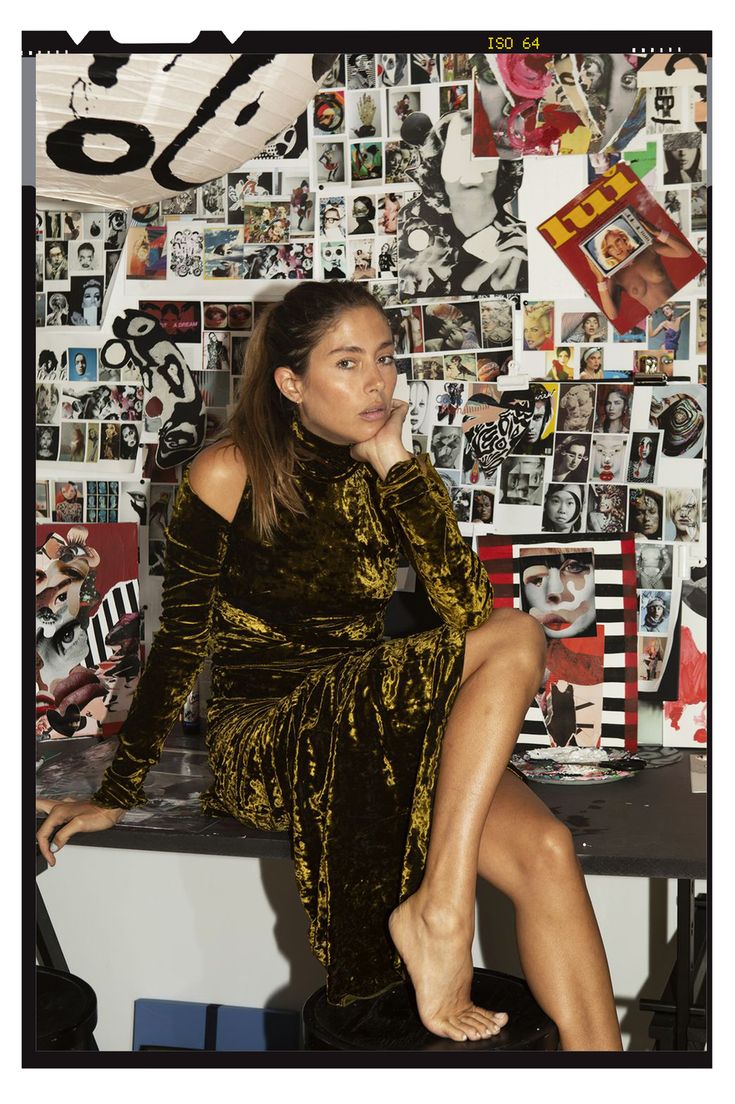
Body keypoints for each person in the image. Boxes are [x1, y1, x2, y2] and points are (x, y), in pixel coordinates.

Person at [37, 281, 622, 1051]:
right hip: (272, 737)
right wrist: (118, 792)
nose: (377, 380)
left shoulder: (389, 473)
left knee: (546, 850)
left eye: (383, 358)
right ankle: (443, 912)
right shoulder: (228, 470)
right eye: (347, 363)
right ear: (290, 382)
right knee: (517, 631)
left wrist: (397, 466)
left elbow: (462, 610)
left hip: (378, 720)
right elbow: (182, 641)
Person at [398, 110, 527, 298]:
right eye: (457, 154)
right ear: (437, 166)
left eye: (482, 153)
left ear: (501, 165)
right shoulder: (416, 244)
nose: (470, 166)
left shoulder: (525, 244)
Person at [585, 213, 694, 321]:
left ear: (624, 239)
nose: (617, 248)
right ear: (607, 253)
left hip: (680, 305)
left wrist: (658, 233)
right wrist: (599, 280)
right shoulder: (615, 277)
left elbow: (686, 253)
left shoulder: (648, 249)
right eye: (610, 247)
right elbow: (612, 315)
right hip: (658, 319)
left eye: (618, 241)